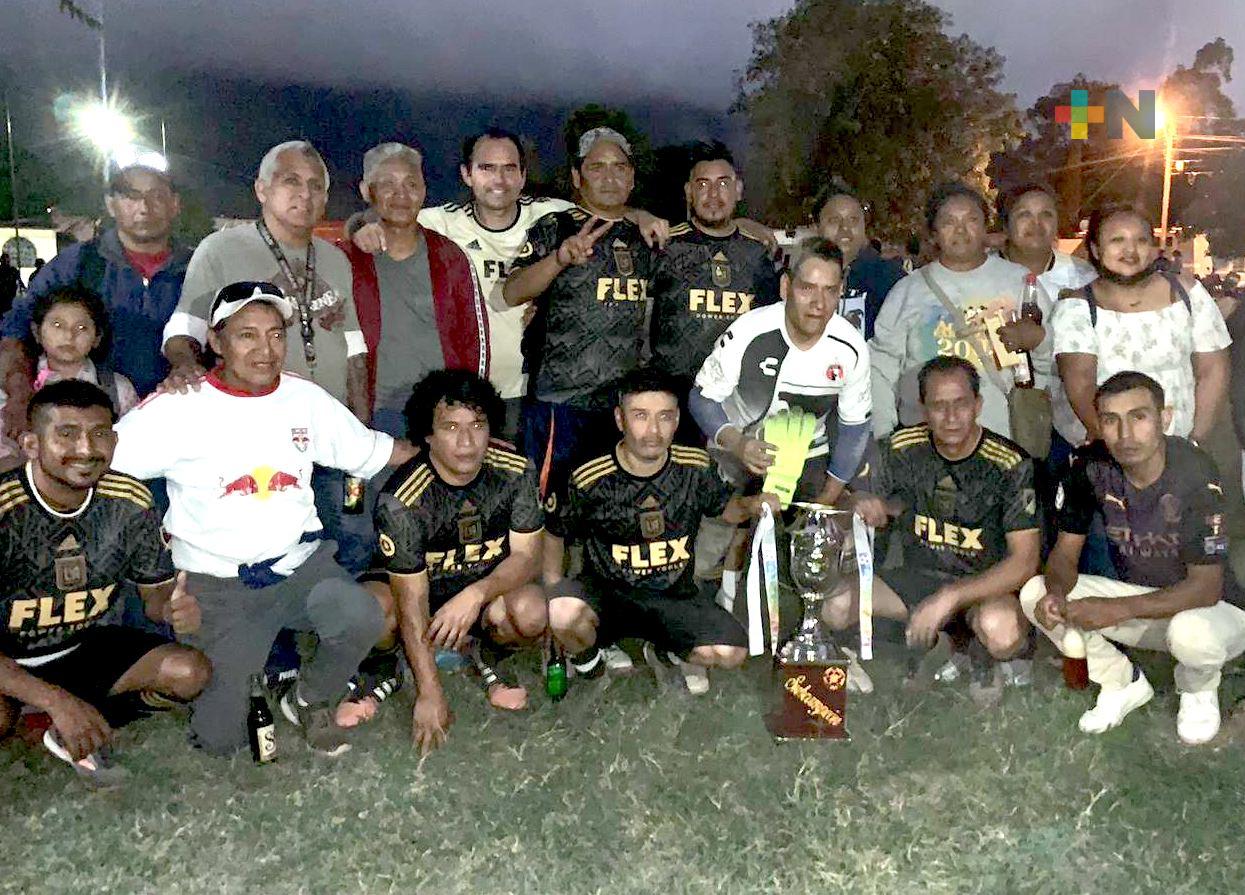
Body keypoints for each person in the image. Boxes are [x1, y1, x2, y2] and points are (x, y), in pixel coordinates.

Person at [110, 281, 418, 757]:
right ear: (215, 341)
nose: (265, 349)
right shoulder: (177, 406)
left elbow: (373, 451)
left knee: (364, 613)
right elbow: (102, 464)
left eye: (276, 335)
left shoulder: (304, 399)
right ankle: (163, 690)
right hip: (218, 587)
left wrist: (453, 453)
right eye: (246, 335)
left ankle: (310, 699)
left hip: (300, 568)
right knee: (220, 740)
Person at [161, 140, 373, 572]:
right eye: (290, 181)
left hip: (329, 429)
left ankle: (335, 628)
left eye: (316, 186)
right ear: (261, 189)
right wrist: (184, 365)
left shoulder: (334, 258)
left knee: (353, 535)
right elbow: (185, 326)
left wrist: (360, 428)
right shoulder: (221, 250)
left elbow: (354, 347)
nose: (305, 195)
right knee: (274, 547)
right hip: (261, 439)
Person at [0, 380, 209, 785]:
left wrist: (173, 608)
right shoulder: (8, 510)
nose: (86, 448)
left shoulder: (128, 502)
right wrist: (54, 699)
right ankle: (53, 712)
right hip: (7, 660)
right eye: (66, 434)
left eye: (99, 434)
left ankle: (72, 721)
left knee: (189, 672)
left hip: (78, 646)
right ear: (30, 445)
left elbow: (155, 596)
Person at [1020, 372, 1245, 745]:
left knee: (1190, 634)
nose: (1125, 434)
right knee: (1034, 592)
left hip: (1215, 611)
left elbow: (1205, 589)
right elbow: (1064, 554)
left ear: (1165, 418)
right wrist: (1057, 592)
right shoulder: (1090, 466)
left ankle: (1197, 687)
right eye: (1111, 420)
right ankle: (1120, 682)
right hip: (1142, 599)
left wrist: (1116, 610)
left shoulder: (1195, 473)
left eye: (1138, 417)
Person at [546, 367, 778, 694]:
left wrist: (753, 504)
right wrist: (554, 587)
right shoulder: (589, 476)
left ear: (678, 420)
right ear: (619, 419)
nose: (653, 430)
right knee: (561, 610)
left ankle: (664, 646)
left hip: (673, 595)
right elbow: (555, 533)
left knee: (731, 652)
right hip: (609, 595)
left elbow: (725, 510)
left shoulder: (695, 466)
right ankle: (589, 659)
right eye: (640, 416)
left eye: (665, 417)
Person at [369, 370, 546, 751]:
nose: (466, 441)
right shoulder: (402, 499)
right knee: (372, 613)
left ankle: (482, 650)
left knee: (531, 611)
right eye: (450, 427)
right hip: (419, 593)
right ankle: (388, 666)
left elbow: (528, 557)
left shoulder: (515, 471)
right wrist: (429, 692)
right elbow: (411, 599)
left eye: (477, 425)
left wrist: (476, 594)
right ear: (428, 435)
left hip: (480, 594)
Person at [846, 357, 1039, 703]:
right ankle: (938, 644)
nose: (950, 417)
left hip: (982, 589)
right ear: (923, 408)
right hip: (919, 579)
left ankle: (976, 650)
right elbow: (855, 496)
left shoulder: (1009, 463)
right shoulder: (901, 448)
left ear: (978, 405)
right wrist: (861, 501)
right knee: (835, 603)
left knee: (1001, 630)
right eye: (938, 406)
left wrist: (951, 597)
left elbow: (1025, 562)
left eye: (961, 404)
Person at [503, 127, 658, 509]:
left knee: (614, 510)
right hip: (562, 402)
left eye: (620, 167)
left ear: (632, 176)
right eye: (597, 168)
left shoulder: (648, 235)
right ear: (577, 177)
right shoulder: (556, 227)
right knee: (548, 510)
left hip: (623, 408)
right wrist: (559, 259)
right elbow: (511, 292)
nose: (610, 177)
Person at [0, 165, 189, 438]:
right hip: (93, 431)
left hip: (181, 425)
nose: (144, 207)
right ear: (111, 204)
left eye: (157, 196)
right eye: (131, 196)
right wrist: (20, 393)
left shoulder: (199, 267)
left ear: (175, 204)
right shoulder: (77, 264)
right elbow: (16, 332)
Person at [690, 238, 872, 507]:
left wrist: (824, 501)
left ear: (840, 291)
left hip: (808, 457)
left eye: (830, 291)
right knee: (720, 538)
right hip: (737, 451)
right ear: (786, 287)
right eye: (807, 288)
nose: (818, 303)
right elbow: (701, 399)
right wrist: (739, 444)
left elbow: (854, 429)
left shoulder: (851, 347)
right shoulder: (749, 331)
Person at [869, 182, 1052, 442]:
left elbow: (1055, 356)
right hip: (925, 447)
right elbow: (881, 368)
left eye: (971, 220)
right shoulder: (908, 291)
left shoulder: (1020, 282)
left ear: (985, 227)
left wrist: (1038, 341)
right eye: (949, 222)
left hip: (1004, 441)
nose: (961, 230)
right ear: (933, 234)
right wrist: (884, 436)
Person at [1048, 203, 1230, 460]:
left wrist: (1194, 442)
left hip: (1179, 451)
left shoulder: (1187, 294)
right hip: (1108, 455)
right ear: (1096, 250)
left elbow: (1213, 370)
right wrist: (1120, 450)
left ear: (1154, 249)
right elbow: (1080, 386)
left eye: (1141, 240)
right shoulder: (1076, 308)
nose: (1130, 250)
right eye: (1117, 240)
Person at [338, 142, 489, 438]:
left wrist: (471, 407)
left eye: (411, 184)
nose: (401, 196)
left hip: (441, 416)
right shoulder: (345, 259)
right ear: (367, 191)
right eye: (388, 185)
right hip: (372, 415)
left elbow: (475, 339)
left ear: (424, 190)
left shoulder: (449, 257)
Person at [649, 141, 780, 434]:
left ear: (738, 190)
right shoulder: (665, 247)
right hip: (674, 399)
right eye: (703, 184)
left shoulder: (758, 253)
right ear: (688, 191)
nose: (713, 195)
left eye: (723, 183)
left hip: (737, 399)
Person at [0, 286, 139, 458]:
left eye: (82, 328)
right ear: (37, 332)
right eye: (57, 325)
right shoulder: (13, 389)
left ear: (97, 338)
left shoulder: (118, 389)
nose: (69, 335)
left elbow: (131, 448)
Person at [813, 182, 905, 339]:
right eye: (834, 220)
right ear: (816, 226)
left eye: (853, 220)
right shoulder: (801, 278)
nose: (845, 229)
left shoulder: (891, 279)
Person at [995, 182, 1096, 304]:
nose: (1036, 223)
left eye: (1046, 214)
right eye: (1024, 215)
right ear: (1005, 225)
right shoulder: (979, 273)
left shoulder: (1084, 278)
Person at [0, 252, 22, 318]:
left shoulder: (13, 270)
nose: (5, 261)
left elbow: (19, 281)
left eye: (7, 260)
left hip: (10, 294)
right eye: (4, 260)